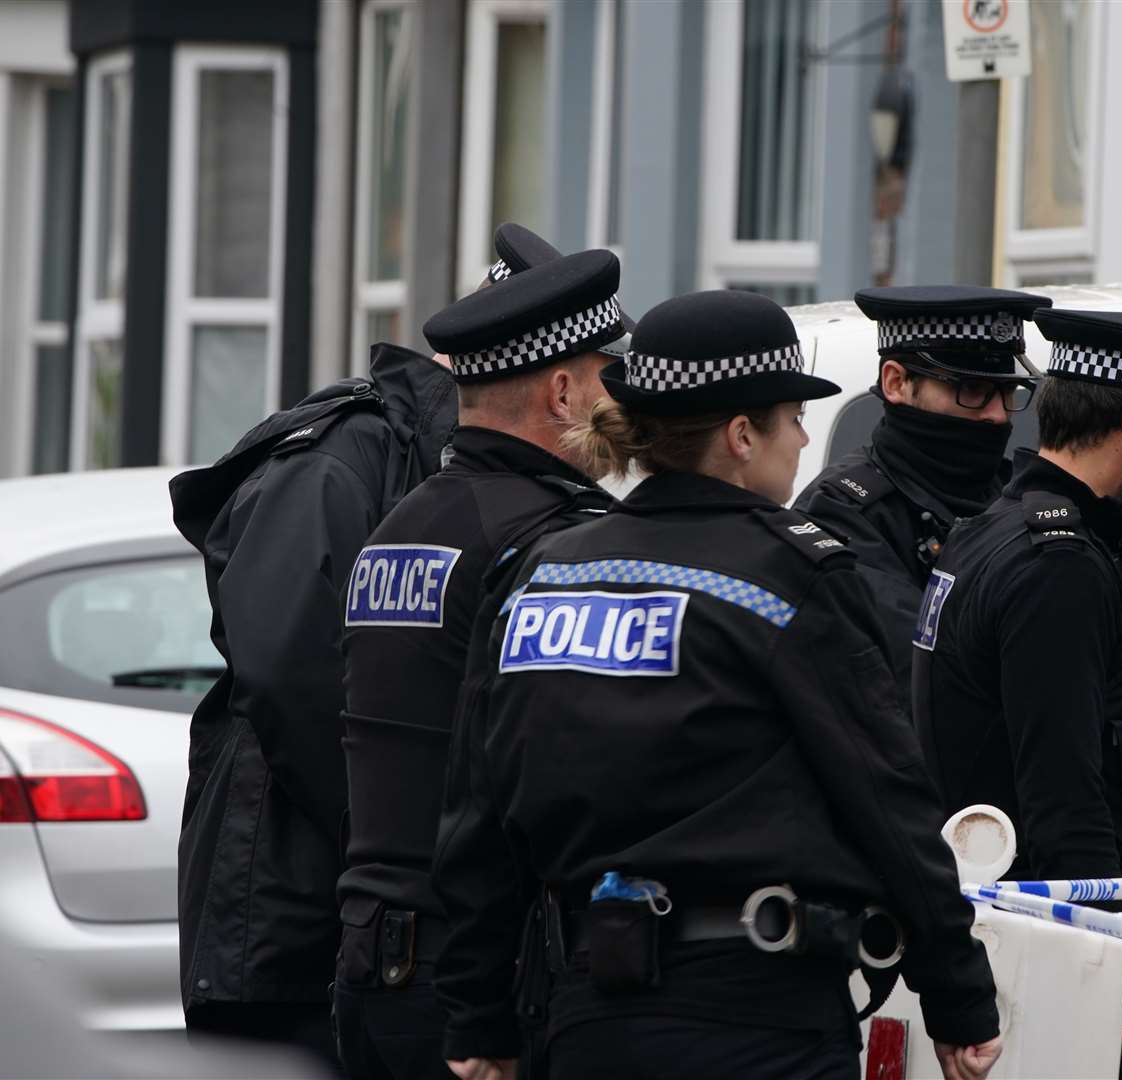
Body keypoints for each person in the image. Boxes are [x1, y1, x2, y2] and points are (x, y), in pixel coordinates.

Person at [438, 290, 1003, 1080]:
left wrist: (477, 1016)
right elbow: (886, 798)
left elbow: (477, 813)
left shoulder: (543, 575)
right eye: (792, 418)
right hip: (758, 1020)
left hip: (584, 1017)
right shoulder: (789, 576)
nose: (806, 438)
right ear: (742, 435)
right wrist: (958, 997)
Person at [912, 307, 1122, 1080]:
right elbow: (1065, 801)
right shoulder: (1056, 566)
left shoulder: (1001, 529)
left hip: (1017, 947)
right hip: (1045, 970)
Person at [333, 242, 630, 1080]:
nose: (624, 400)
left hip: (375, 963)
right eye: (609, 376)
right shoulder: (553, 545)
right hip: (486, 982)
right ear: (564, 391)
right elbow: (555, 775)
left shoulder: (400, 527)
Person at [169, 339, 458, 1069]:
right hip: (280, 907)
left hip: (325, 904)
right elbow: (290, 674)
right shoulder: (344, 453)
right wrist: (386, 833)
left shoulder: (418, 455)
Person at [794, 286, 1049, 687]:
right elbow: (930, 679)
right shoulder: (841, 513)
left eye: (1007, 393)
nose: (997, 415)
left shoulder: (1020, 496)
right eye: (973, 391)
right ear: (896, 382)